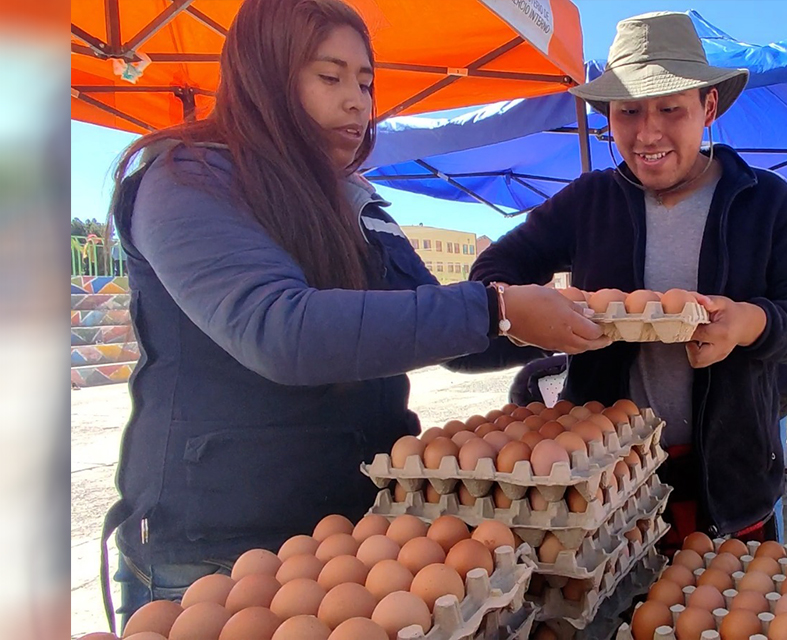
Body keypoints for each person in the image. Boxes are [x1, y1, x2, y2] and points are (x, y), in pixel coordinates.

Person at [99, 0, 608, 627]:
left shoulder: (356, 201)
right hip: (218, 552)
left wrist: (565, 325)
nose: (357, 102)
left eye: (364, 82)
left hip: (356, 525)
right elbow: (279, 330)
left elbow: (451, 333)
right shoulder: (189, 181)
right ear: (265, 78)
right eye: (329, 76)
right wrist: (498, 306)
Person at [465, 12, 787, 548]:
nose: (647, 132)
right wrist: (531, 315)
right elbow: (493, 272)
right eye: (628, 111)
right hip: (608, 481)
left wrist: (750, 323)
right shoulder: (590, 201)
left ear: (707, 107)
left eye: (669, 109)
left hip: (729, 480)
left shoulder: (764, 200)